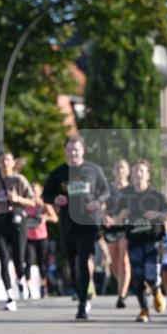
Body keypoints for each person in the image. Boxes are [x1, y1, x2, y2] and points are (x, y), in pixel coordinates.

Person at [43, 135, 110, 320]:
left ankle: (82, 304)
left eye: (77, 149)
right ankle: (81, 294)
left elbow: (106, 191)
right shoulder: (59, 173)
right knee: (72, 264)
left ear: (83, 150)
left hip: (88, 221)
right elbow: (46, 194)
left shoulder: (93, 170)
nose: (73, 153)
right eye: (70, 150)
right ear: (66, 151)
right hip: (68, 223)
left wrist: (97, 202)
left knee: (83, 261)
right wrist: (55, 199)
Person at [116, 159, 167, 322]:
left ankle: (156, 291)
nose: (138, 174)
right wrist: (121, 215)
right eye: (135, 171)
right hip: (134, 239)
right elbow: (117, 217)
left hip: (151, 239)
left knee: (151, 274)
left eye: (141, 171)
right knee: (138, 275)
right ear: (131, 175)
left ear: (148, 175)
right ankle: (144, 309)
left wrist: (156, 215)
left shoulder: (156, 195)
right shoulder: (125, 194)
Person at [0, 152, 35, 311]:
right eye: (2, 160)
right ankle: (9, 295)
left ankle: (21, 279)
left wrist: (17, 199)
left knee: (17, 257)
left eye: (7, 160)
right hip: (0, 218)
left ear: (13, 163)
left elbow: (33, 201)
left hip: (17, 219)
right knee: (2, 257)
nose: (4, 163)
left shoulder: (19, 180)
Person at [102, 158, 131, 307]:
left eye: (123, 167)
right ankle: (121, 284)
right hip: (111, 227)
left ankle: (122, 294)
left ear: (128, 171)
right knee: (115, 262)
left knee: (124, 259)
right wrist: (103, 216)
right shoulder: (108, 188)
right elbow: (100, 204)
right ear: (113, 171)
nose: (120, 170)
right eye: (117, 167)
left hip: (126, 228)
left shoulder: (131, 189)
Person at [24, 182, 58, 298]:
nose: (33, 192)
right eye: (31, 189)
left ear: (40, 191)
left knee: (42, 263)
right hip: (29, 237)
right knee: (28, 261)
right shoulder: (26, 204)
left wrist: (45, 217)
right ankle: (27, 288)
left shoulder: (44, 205)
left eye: (35, 189)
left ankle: (44, 286)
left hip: (41, 237)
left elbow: (55, 218)